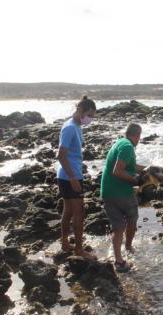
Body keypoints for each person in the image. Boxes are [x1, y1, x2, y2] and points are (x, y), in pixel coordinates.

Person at [100, 123, 146, 272]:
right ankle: (128, 246)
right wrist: (137, 181)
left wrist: (147, 169)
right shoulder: (128, 147)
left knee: (118, 227)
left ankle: (119, 262)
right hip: (122, 193)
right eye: (140, 137)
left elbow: (128, 166)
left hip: (108, 192)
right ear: (137, 135)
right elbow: (118, 171)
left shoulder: (120, 142)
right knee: (132, 221)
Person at [57, 96, 97, 260]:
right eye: (90, 114)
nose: (91, 119)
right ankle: (79, 250)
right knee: (79, 213)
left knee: (68, 211)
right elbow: (61, 155)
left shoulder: (76, 126)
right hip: (69, 176)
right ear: (81, 110)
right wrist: (73, 178)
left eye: (93, 116)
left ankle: (65, 243)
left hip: (68, 175)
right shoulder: (70, 128)